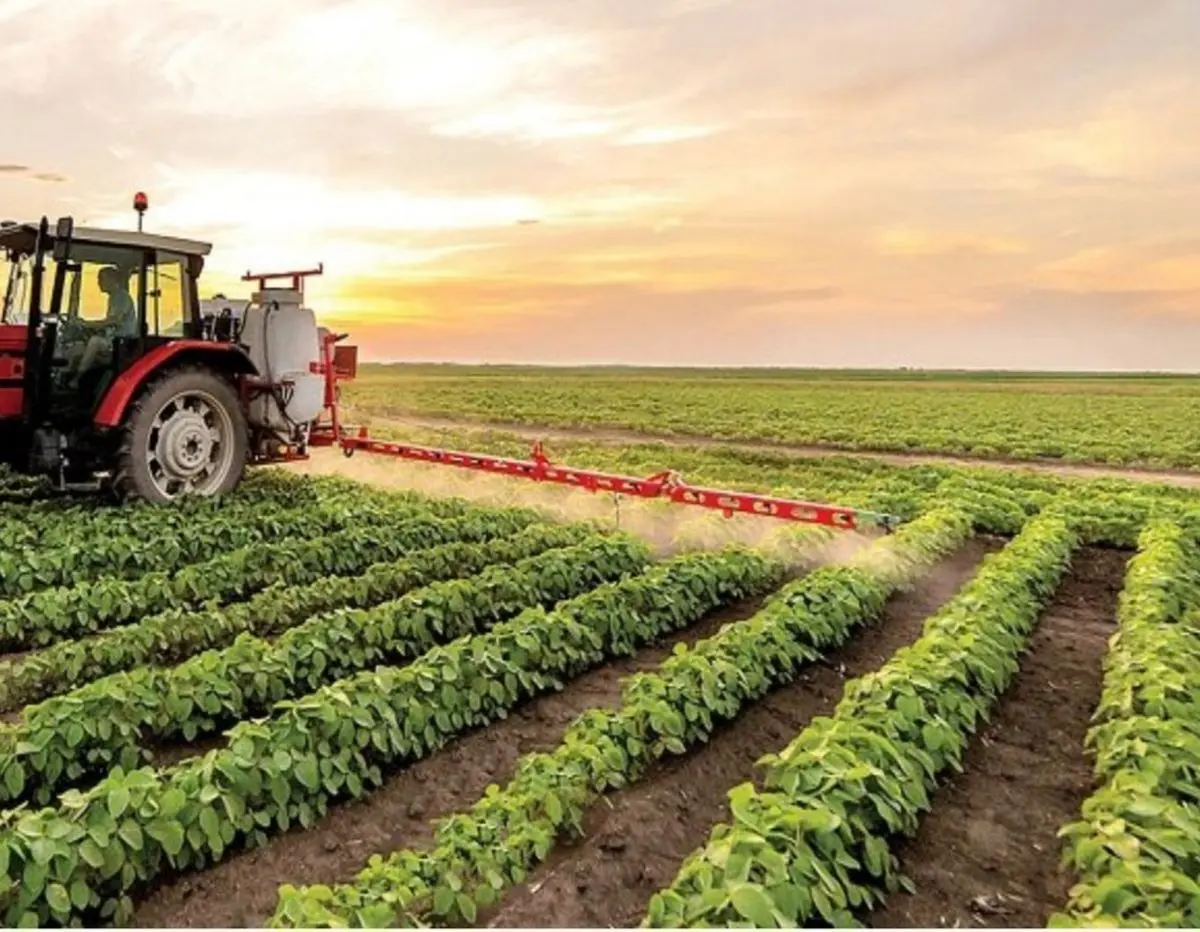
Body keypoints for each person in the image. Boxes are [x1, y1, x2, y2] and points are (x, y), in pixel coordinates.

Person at [67, 266, 139, 386]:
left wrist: (87, 324)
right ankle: (67, 383)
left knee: (95, 342)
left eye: (101, 279)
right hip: (114, 341)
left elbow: (114, 321)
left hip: (121, 344)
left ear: (112, 279)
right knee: (77, 348)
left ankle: (76, 380)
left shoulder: (121, 296)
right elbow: (110, 324)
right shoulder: (114, 297)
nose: (98, 283)